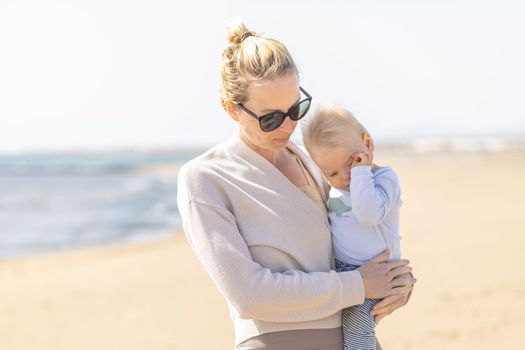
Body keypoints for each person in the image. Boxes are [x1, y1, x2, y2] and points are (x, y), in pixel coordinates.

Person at [176, 21, 416, 350]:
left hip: (355, 339)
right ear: (232, 109)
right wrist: (358, 285)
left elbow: (355, 236)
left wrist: (397, 281)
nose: (288, 126)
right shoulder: (205, 179)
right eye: (270, 118)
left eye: (295, 109)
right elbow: (248, 295)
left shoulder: (313, 162)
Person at [302, 106, 405, 350]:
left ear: (367, 144)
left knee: (357, 323)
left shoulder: (384, 179)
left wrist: (361, 172)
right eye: (332, 173)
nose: (345, 177)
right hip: (344, 270)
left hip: (377, 270)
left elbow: (368, 214)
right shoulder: (335, 187)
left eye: (350, 163)